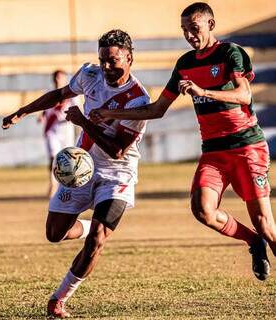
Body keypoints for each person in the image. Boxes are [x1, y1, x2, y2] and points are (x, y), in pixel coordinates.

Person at [90, 2, 276, 281]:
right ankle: (252, 242)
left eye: (194, 28)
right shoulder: (185, 64)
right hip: (213, 151)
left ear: (210, 25)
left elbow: (244, 95)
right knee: (203, 210)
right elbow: (156, 109)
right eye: (185, 30)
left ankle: (260, 237)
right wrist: (109, 113)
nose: (189, 35)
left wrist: (204, 91)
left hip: (246, 147)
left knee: (266, 225)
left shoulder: (230, 53)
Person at [2, 29, 150, 318]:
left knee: (97, 240)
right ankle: (88, 225)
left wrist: (83, 121)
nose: (107, 67)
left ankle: (59, 298)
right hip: (83, 169)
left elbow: (117, 150)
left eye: (114, 61)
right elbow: (60, 94)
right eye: (103, 60)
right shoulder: (90, 75)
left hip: (117, 174)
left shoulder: (137, 101)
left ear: (129, 58)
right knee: (54, 234)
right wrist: (22, 111)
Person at [38, 70, 79, 198]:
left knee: (67, 160)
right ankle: (52, 183)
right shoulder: (49, 94)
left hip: (66, 131)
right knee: (53, 157)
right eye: (56, 77)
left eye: (60, 77)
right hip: (52, 131)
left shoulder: (72, 95)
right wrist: (42, 117)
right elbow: (46, 110)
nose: (58, 80)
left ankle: (66, 185)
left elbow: (78, 110)